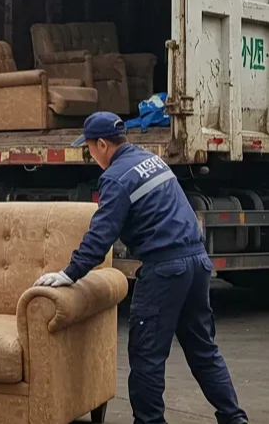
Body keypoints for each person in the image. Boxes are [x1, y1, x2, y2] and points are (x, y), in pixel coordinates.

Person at [34, 112, 248, 424]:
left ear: (103, 144)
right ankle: (234, 419)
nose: (91, 155)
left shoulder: (116, 177)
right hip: (197, 261)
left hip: (165, 269)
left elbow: (101, 236)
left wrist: (68, 274)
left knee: (147, 357)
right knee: (204, 351)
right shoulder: (152, 161)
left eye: (89, 148)